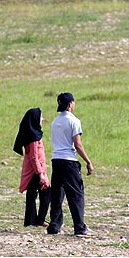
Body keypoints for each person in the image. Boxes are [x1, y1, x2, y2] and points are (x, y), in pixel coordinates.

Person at [47, 92, 94, 237]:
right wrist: (88, 161)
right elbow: (77, 144)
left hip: (56, 160)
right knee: (76, 195)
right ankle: (79, 227)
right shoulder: (74, 121)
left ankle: (54, 226)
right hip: (69, 161)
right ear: (70, 104)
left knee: (57, 194)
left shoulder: (55, 122)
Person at [13, 108, 51, 227]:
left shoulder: (31, 134)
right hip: (36, 170)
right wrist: (40, 174)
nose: (42, 119)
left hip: (32, 170)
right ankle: (39, 220)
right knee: (46, 192)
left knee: (31, 195)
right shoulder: (34, 137)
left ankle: (31, 221)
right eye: (40, 117)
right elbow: (34, 157)